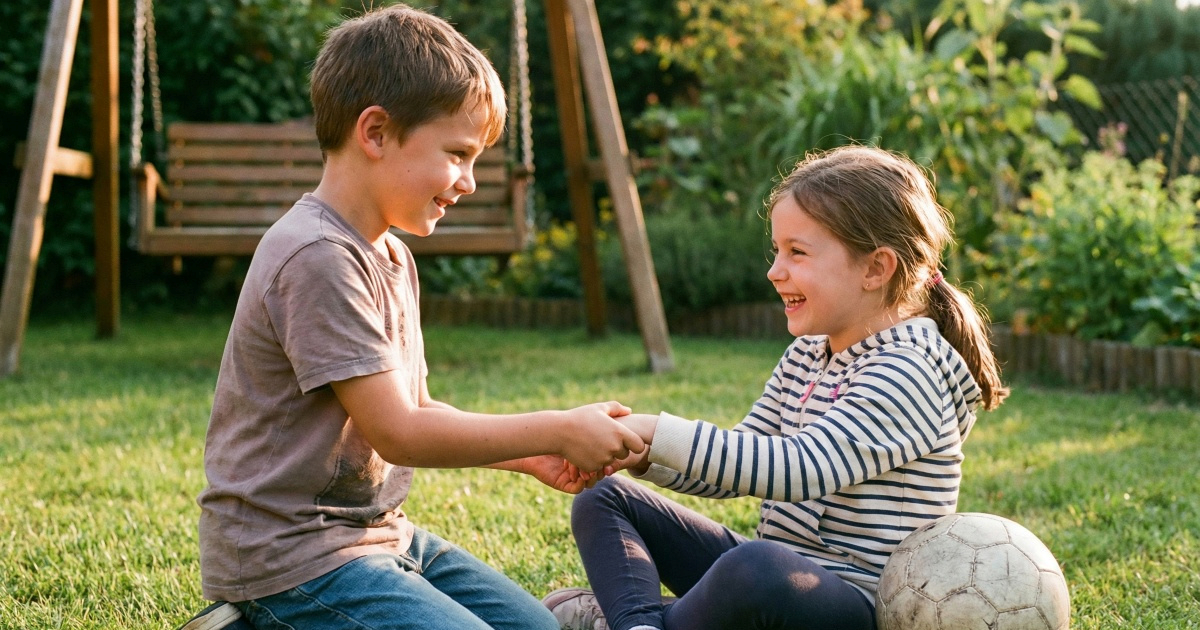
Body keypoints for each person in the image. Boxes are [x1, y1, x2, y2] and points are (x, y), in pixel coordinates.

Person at [180, 5, 644, 630]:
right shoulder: (317, 255)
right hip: (293, 558)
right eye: (457, 154)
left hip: (382, 537)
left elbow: (418, 408)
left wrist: (527, 456)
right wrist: (556, 429)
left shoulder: (391, 254)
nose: (470, 182)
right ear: (375, 133)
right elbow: (399, 432)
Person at [543, 145, 1009, 630]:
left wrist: (657, 429)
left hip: (856, 606)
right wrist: (636, 451)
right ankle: (641, 624)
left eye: (797, 253)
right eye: (777, 251)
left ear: (876, 268)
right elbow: (741, 459)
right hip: (783, 575)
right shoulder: (810, 352)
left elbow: (797, 468)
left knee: (756, 567)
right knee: (606, 497)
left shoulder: (911, 370)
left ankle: (628, 619)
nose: (774, 271)